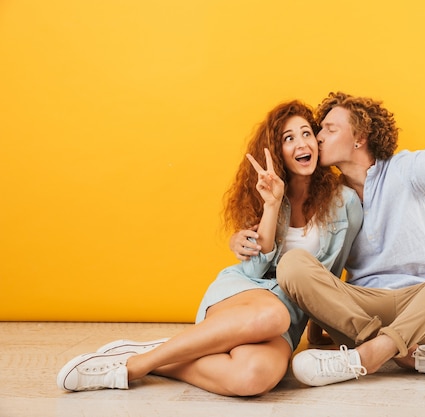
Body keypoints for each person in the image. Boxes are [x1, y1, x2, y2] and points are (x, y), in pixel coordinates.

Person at [56, 100, 363, 396]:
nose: (301, 144)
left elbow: (331, 277)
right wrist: (271, 205)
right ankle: (134, 367)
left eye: (307, 133)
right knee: (274, 315)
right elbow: (255, 268)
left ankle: (158, 355)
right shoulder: (267, 192)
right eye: (289, 138)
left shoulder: (345, 202)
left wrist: (320, 330)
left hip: (289, 313)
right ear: (278, 151)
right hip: (246, 291)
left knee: (253, 377)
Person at [231, 68, 425, 386]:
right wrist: (242, 239)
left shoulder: (406, 171)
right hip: (358, 311)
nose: (317, 138)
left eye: (329, 130)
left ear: (359, 137)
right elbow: (294, 255)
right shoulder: (326, 196)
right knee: (292, 265)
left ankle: (373, 354)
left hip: (423, 306)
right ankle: (410, 355)